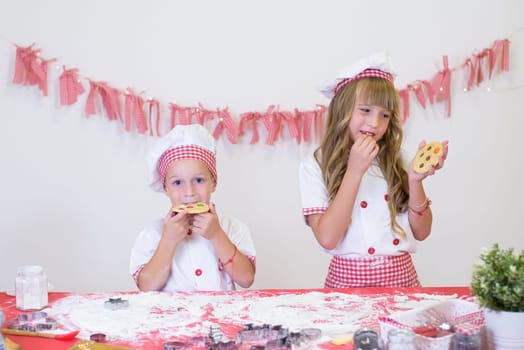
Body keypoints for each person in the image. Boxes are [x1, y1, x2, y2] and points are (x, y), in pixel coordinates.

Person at [298, 52, 448, 288]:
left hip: (403, 283)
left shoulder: (397, 159)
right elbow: (327, 238)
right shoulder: (314, 165)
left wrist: (415, 181)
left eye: (385, 115)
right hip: (346, 286)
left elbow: (422, 232)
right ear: (342, 109)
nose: (374, 123)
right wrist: (354, 171)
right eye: (365, 110)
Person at [130, 124, 256, 291]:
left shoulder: (233, 228)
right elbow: (146, 287)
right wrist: (168, 240)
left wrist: (217, 235)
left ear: (214, 183)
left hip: (219, 315)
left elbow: (246, 279)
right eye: (177, 183)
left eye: (198, 180)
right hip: (173, 316)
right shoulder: (153, 233)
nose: (189, 193)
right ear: (166, 189)